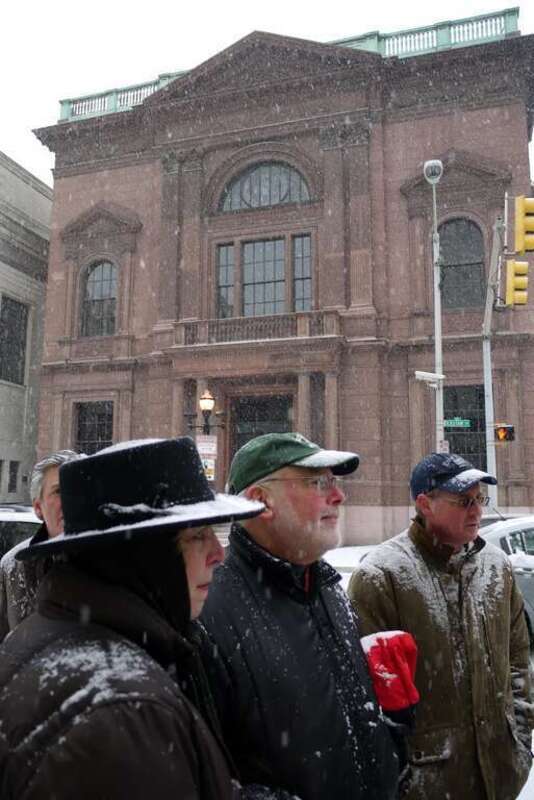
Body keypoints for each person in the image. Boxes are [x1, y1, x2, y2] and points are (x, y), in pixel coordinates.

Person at [0, 436, 266, 799]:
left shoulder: (63, 638)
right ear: (145, 554)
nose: (219, 553)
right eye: (197, 535)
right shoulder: (121, 709)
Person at [198, 432, 400, 800]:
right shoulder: (208, 611)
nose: (339, 496)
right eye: (317, 482)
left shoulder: (326, 587)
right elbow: (204, 778)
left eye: (334, 482)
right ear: (260, 502)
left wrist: (393, 728)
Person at [348, 452, 534, 800]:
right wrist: (400, 775)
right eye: (464, 500)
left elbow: (518, 657)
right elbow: (365, 699)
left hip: (500, 775)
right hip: (426, 785)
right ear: (425, 503)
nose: (477, 510)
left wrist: (518, 740)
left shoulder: (497, 566)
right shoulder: (380, 576)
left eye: (480, 499)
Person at [0, 449, 80, 640]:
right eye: (59, 491)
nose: (72, 498)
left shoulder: (113, 559)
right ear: (38, 508)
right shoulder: (13, 567)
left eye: (79, 488)